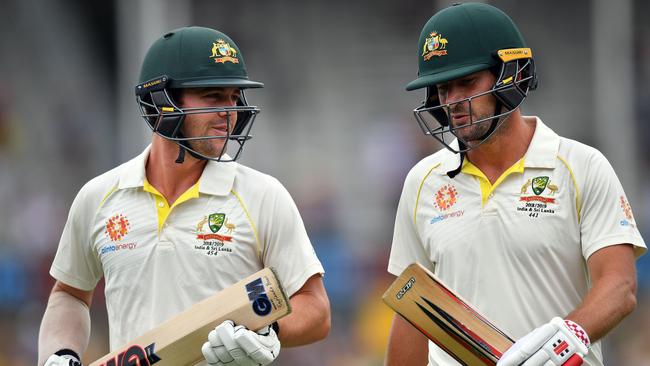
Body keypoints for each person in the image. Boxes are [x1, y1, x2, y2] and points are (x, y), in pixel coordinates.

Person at [38, 26, 330, 366]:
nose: (229, 112)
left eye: (234, 97)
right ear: (162, 102)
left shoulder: (263, 196)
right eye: (212, 97)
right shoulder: (98, 197)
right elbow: (70, 295)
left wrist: (271, 331)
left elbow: (316, 308)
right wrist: (60, 354)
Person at [385, 3, 646, 366]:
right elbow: (413, 309)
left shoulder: (580, 166)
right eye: (443, 88)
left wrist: (561, 341)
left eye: (467, 83)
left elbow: (620, 286)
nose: (453, 102)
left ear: (510, 77)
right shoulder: (422, 182)